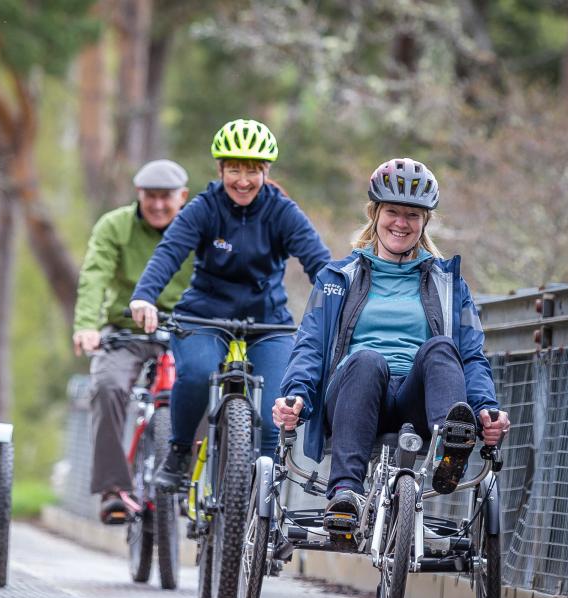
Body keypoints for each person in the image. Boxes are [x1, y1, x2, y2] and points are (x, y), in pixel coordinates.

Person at [272, 158, 511, 529]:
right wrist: (295, 396)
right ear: (375, 213)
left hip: (418, 401)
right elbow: (310, 345)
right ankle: (345, 493)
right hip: (357, 394)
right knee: (367, 359)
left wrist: (487, 408)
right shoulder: (337, 278)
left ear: (424, 222)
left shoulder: (450, 286)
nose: (401, 223)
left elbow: (472, 356)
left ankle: (450, 449)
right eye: (393, 212)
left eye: (412, 215)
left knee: (441, 348)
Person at [129, 119, 332, 491]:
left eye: (252, 170)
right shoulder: (204, 208)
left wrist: (342, 304)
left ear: (265, 172)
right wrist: (144, 296)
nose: (242, 180)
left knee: (276, 411)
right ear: (220, 169)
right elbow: (169, 252)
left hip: (268, 322)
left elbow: (320, 263)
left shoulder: (282, 212)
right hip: (203, 316)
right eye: (234, 169)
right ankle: (177, 452)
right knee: (197, 372)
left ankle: (265, 502)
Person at [72, 160, 193, 524]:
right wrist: (87, 325)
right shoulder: (115, 226)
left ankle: (196, 482)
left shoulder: (197, 226)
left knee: (209, 386)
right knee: (107, 386)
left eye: (166, 198)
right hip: (126, 329)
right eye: (150, 197)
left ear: (182, 197)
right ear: (138, 195)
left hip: (186, 329)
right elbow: (94, 276)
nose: (157, 205)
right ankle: (113, 489)